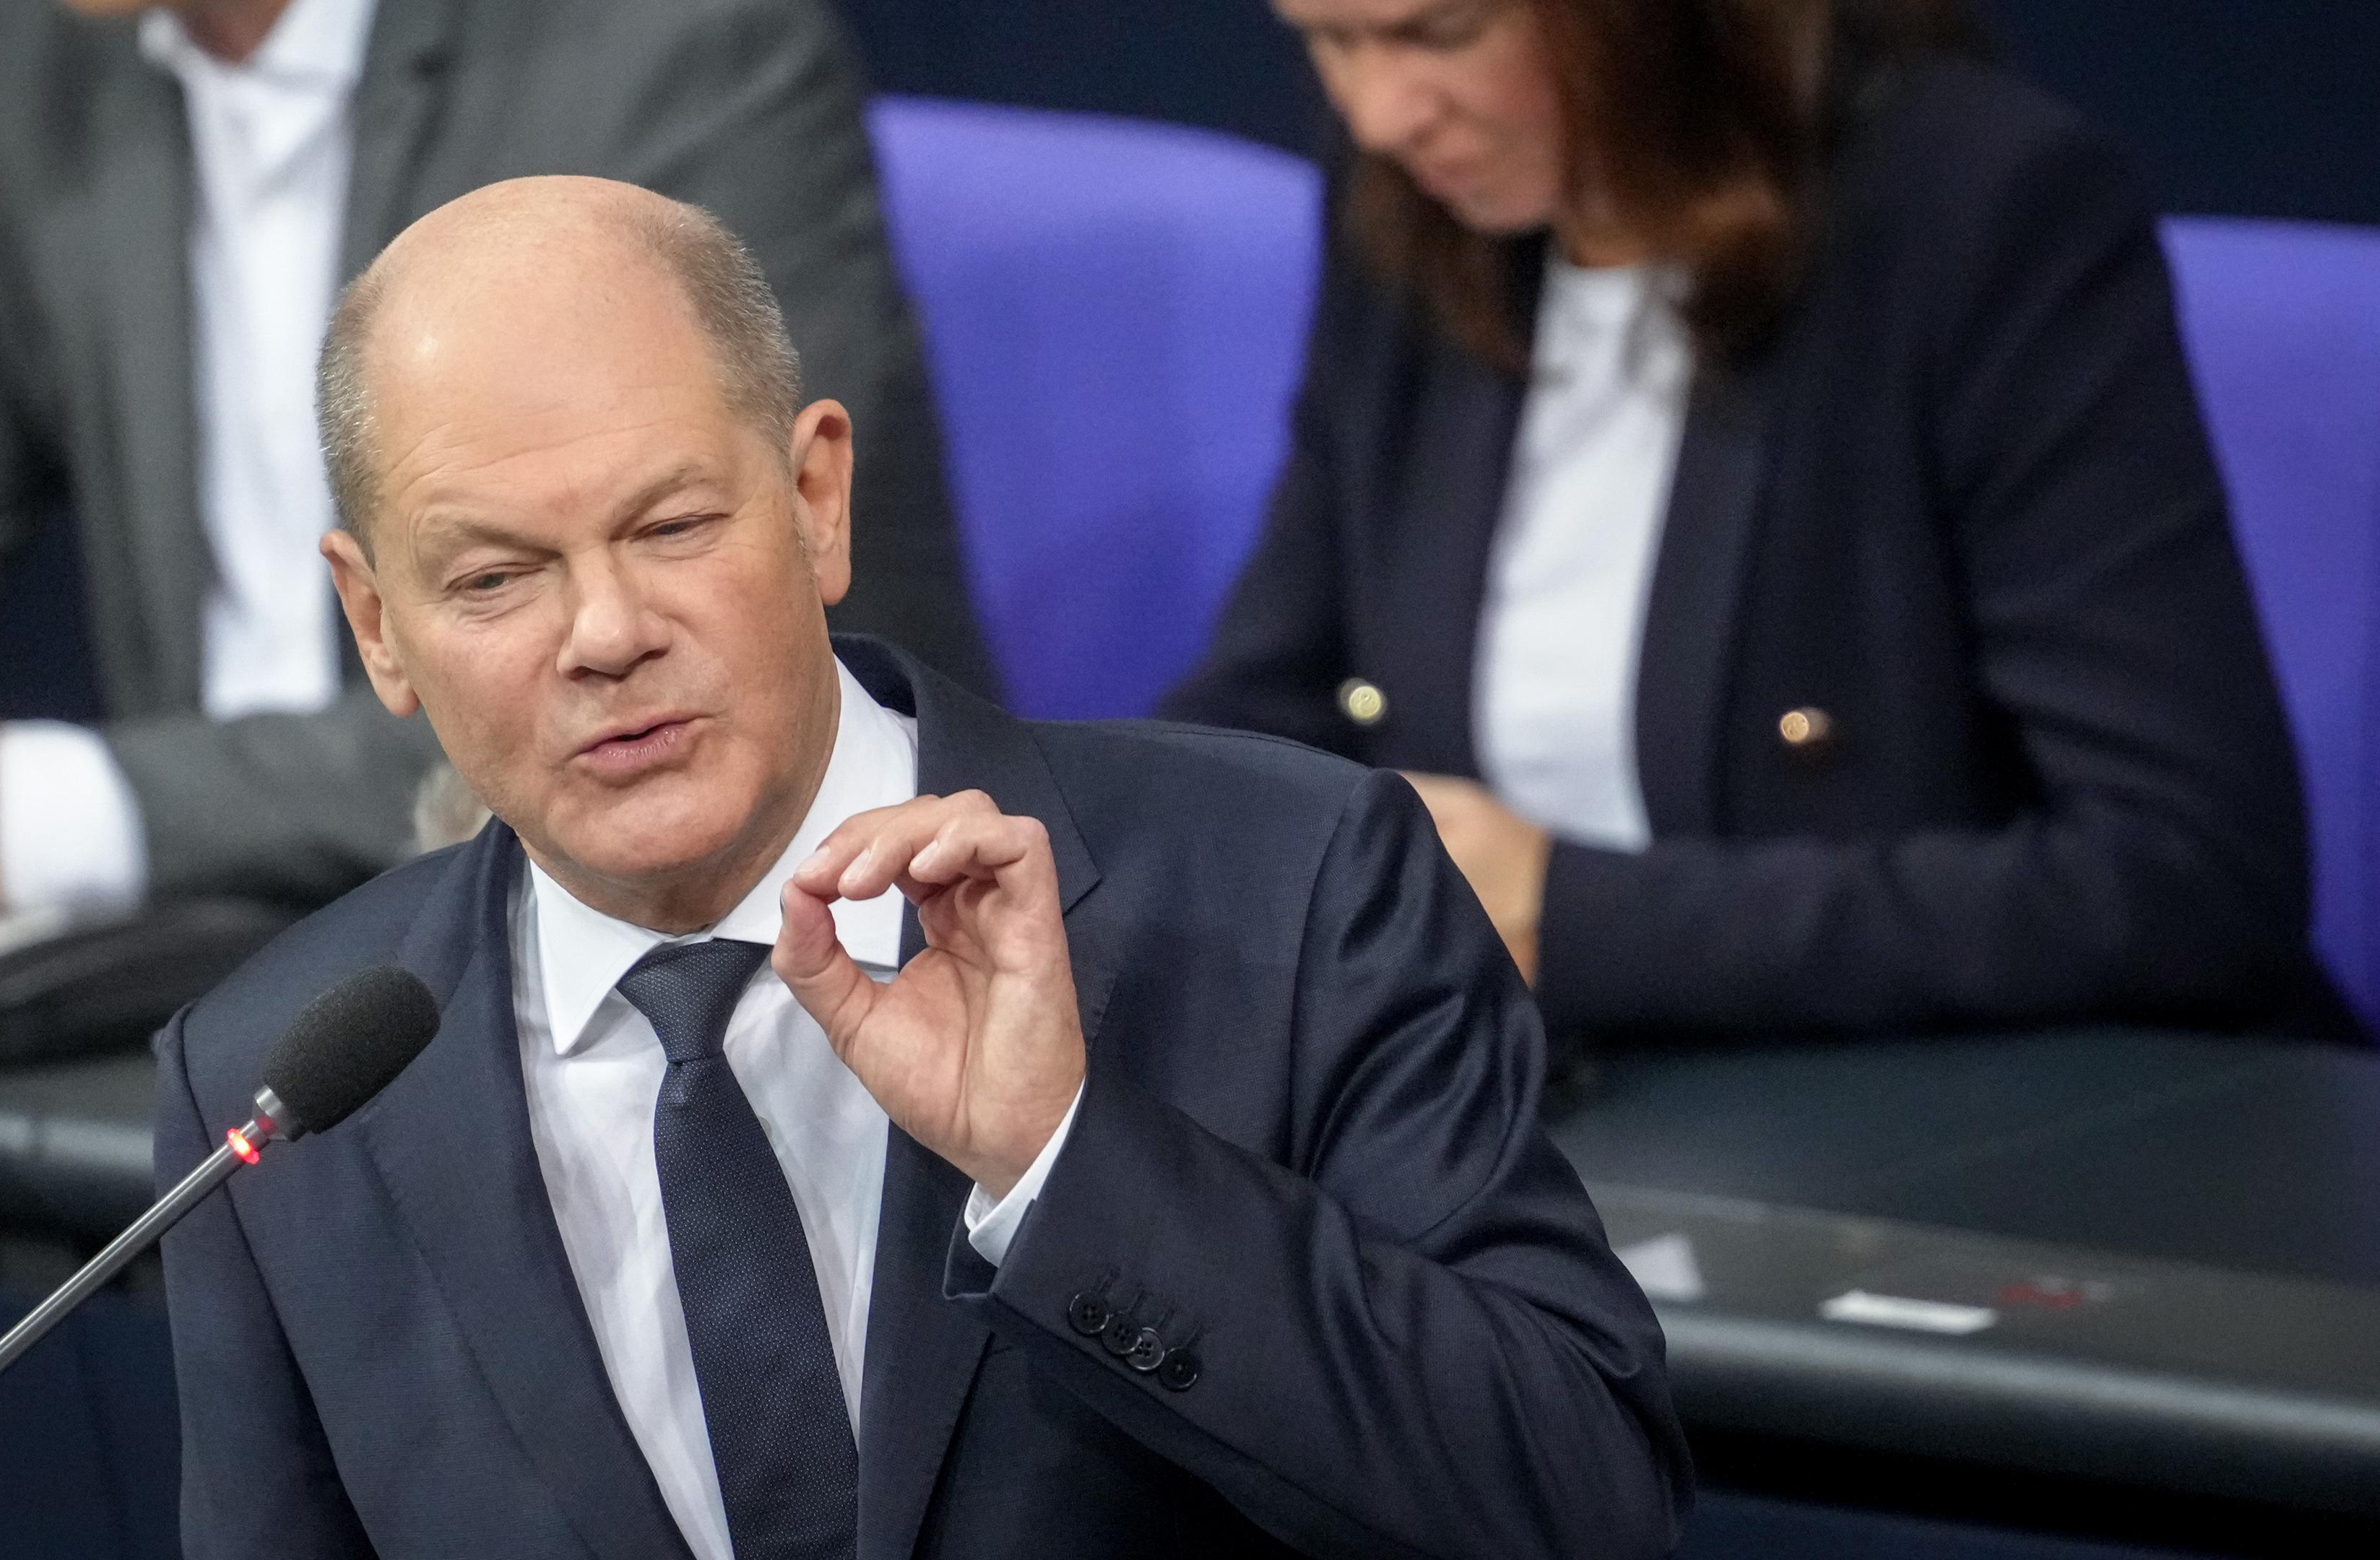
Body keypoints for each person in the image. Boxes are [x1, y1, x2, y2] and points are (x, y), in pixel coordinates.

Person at [156, 177, 1687, 1559]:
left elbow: (1582, 1503)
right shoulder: (275, 1098)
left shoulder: (1288, 889)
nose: (606, 633)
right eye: (495, 578)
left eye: (674, 526)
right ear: (375, 625)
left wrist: (1061, 1161)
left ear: (817, 498)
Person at [1163, 0, 2344, 1039]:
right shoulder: (1410, 207)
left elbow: (2188, 876)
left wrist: (1575, 920)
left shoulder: (1978, 206)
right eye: (1325, 40)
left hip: (1945, 1124)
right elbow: (1270, 701)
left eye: (1442, 32)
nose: (1381, 114)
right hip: (1529, 1106)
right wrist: (1077, 832)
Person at [0, 0, 992, 919]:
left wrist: (38, 814)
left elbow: (725, 661)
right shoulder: (17, 51)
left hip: (631, 926)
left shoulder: (664, 43)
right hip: (185, 947)